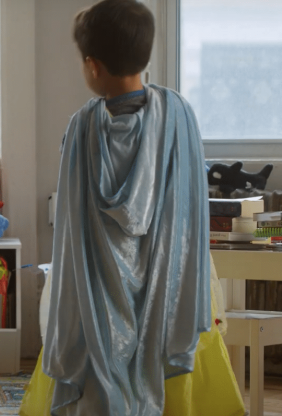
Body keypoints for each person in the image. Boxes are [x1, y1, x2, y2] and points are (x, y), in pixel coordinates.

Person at [18, 1, 245, 415]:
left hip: (97, 300)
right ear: (147, 54)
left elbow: (73, 226)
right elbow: (189, 209)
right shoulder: (178, 115)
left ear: (92, 65)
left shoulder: (81, 128)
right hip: (168, 287)